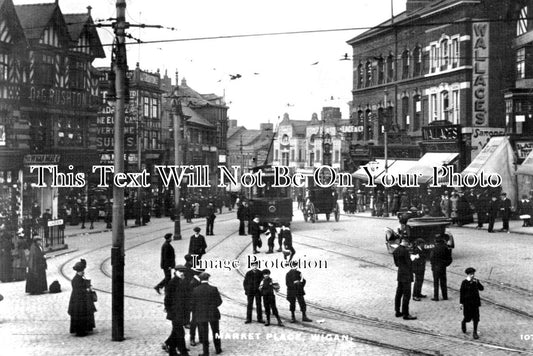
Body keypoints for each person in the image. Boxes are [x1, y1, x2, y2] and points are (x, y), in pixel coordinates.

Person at [191, 272, 222, 356]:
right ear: (208, 279)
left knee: (204, 333)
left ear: (200, 279)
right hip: (213, 314)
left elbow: (192, 304)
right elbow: (219, 302)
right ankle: (218, 349)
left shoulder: (195, 290)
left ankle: (206, 352)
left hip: (201, 314)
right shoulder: (214, 289)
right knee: (216, 332)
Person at [163, 265, 190, 356]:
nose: (182, 273)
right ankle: (184, 353)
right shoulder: (172, 283)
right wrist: (169, 310)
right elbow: (167, 299)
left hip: (181, 312)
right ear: (176, 272)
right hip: (175, 313)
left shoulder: (183, 281)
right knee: (180, 333)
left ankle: (171, 350)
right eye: (180, 271)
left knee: (175, 332)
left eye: (183, 272)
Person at [68, 259, 96, 336]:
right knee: (80, 314)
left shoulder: (79, 278)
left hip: (79, 300)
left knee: (82, 314)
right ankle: (81, 330)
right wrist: (87, 289)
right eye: (82, 271)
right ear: (79, 271)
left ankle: (84, 329)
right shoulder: (76, 279)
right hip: (78, 301)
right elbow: (79, 290)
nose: (83, 272)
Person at [393, 238, 417, 320]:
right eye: (408, 243)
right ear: (406, 242)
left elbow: (396, 264)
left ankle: (397, 311)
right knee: (407, 295)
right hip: (407, 275)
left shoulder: (396, 250)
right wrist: (413, 259)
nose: (408, 245)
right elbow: (409, 263)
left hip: (400, 275)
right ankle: (405, 314)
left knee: (399, 293)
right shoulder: (405, 251)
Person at [460, 267, 484, 340]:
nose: (472, 275)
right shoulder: (464, 282)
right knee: (468, 318)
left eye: (473, 274)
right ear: (467, 275)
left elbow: (482, 288)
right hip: (467, 303)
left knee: (476, 318)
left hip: (475, 303)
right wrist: (461, 303)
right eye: (471, 274)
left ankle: (475, 332)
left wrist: (478, 283)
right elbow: (462, 293)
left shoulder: (475, 281)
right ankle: (464, 322)